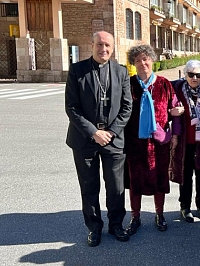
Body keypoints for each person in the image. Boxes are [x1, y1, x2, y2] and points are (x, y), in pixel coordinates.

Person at [65, 31, 132, 247]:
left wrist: (110, 132)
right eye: (99, 44)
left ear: (113, 48)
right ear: (91, 45)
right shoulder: (77, 70)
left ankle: (116, 225)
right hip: (85, 139)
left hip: (113, 139)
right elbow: (71, 107)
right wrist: (94, 131)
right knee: (89, 186)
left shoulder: (121, 72)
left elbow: (126, 106)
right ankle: (94, 228)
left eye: (108, 46)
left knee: (115, 187)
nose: (103, 49)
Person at [124, 44, 183, 235]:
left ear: (152, 60)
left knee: (160, 178)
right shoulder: (129, 84)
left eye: (145, 59)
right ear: (133, 63)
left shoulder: (165, 84)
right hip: (135, 143)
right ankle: (135, 216)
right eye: (138, 60)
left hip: (159, 142)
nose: (142, 63)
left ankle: (160, 214)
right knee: (135, 180)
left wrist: (174, 135)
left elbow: (176, 110)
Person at [169, 60, 200, 222]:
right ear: (185, 75)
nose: (195, 78)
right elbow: (166, 106)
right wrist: (172, 111)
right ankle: (185, 206)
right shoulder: (177, 90)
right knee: (185, 175)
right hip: (185, 141)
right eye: (191, 74)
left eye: (198, 75)